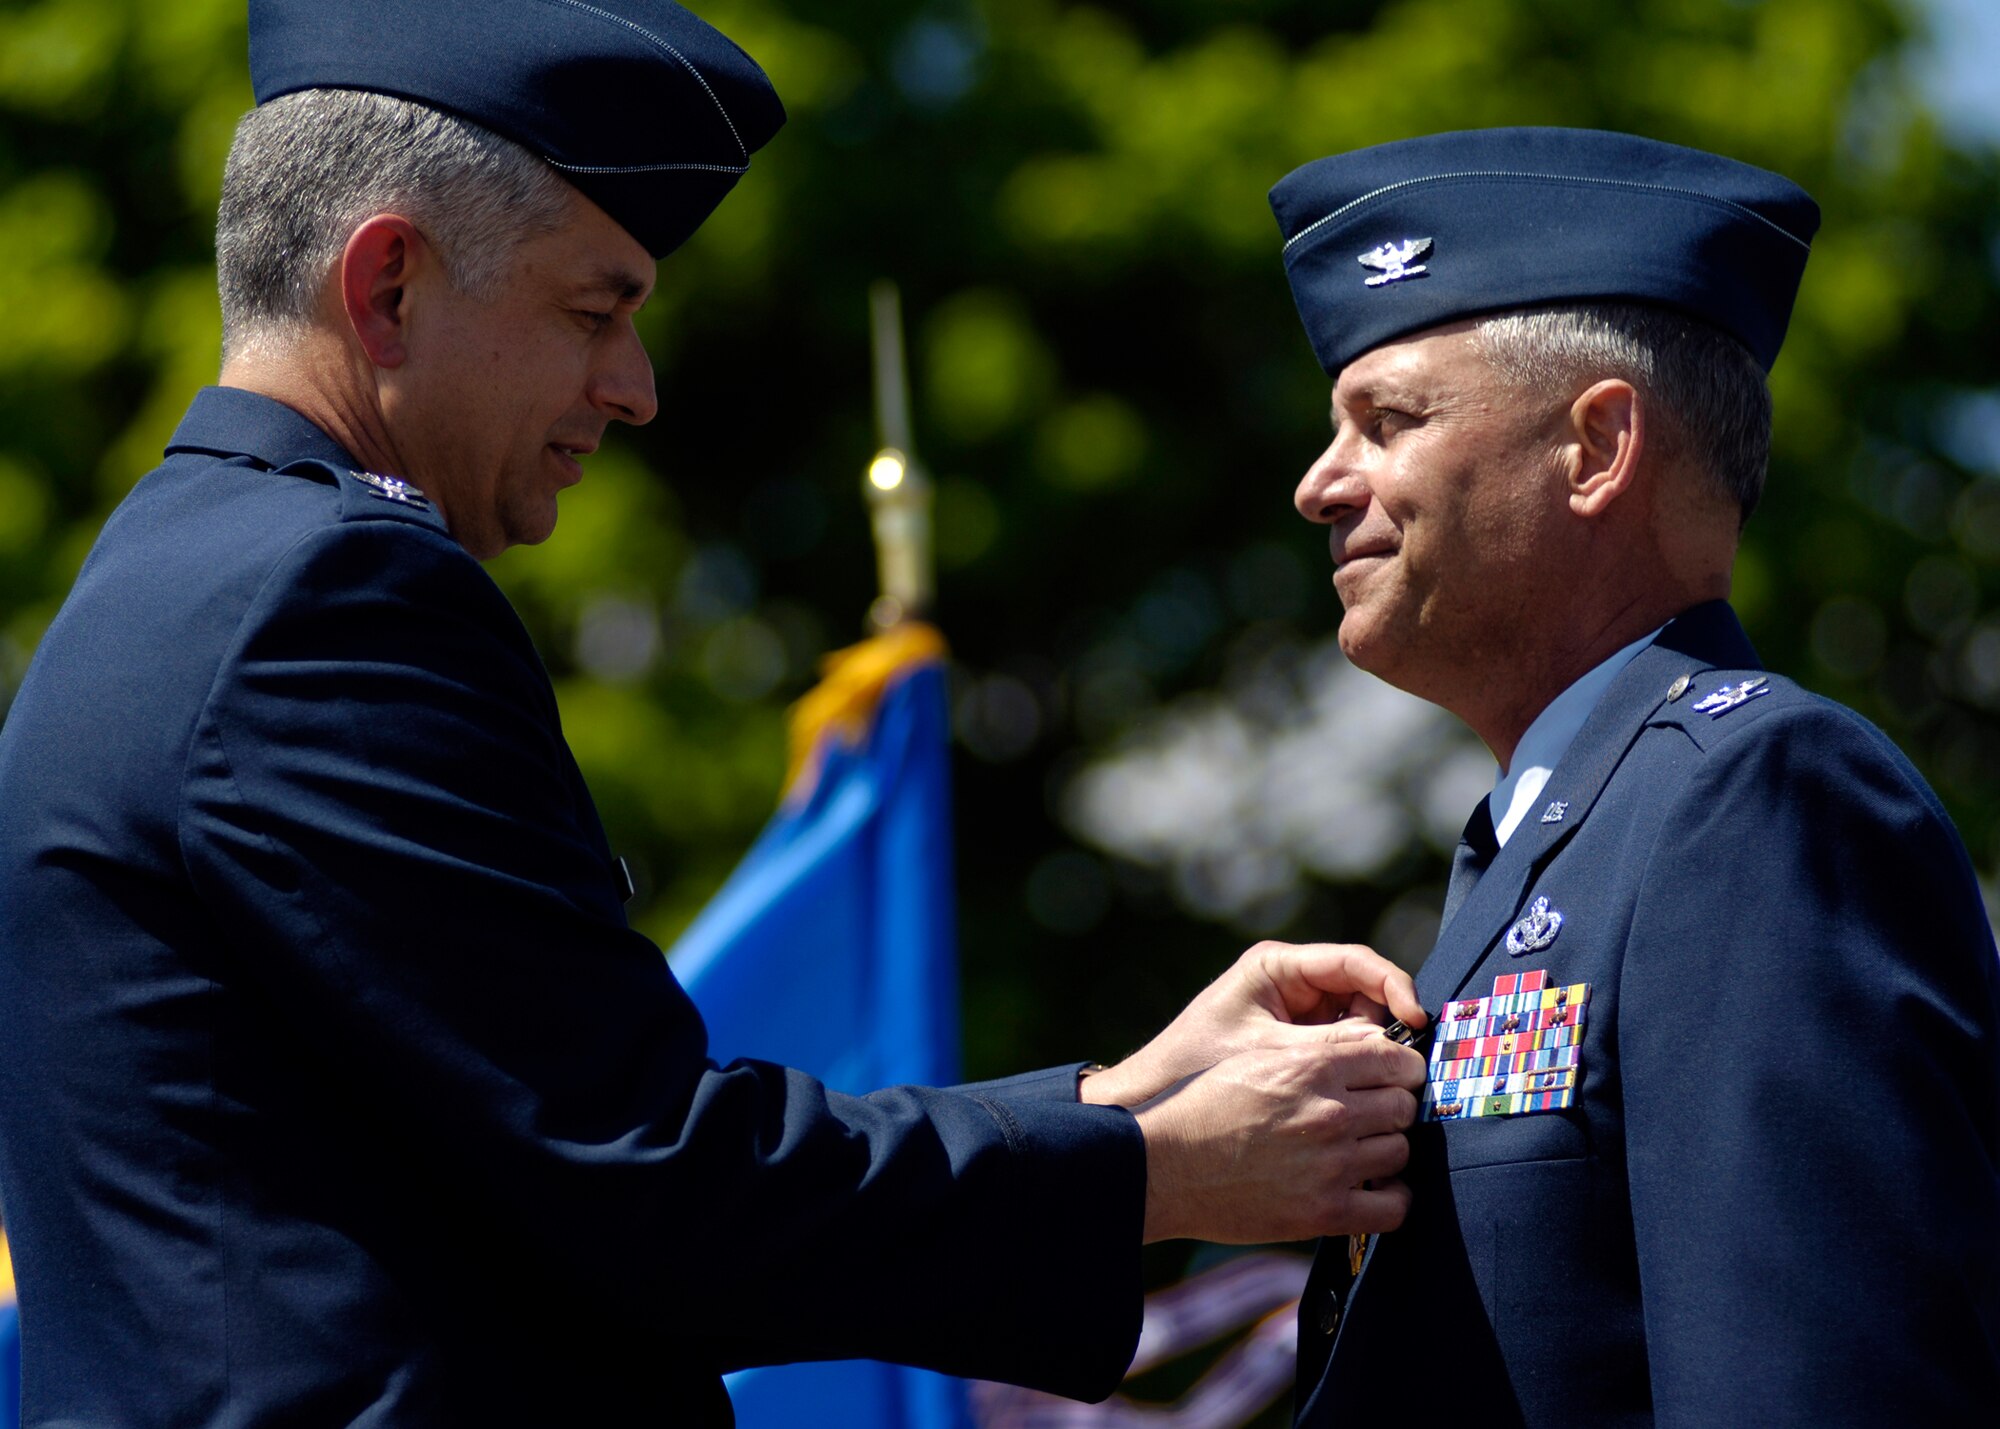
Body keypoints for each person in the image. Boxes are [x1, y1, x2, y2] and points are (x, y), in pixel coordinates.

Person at [0, 3, 1429, 1425]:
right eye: (595, 309)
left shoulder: (176, 575)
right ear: (388, 285)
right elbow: (651, 1175)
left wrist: (1120, 1097)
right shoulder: (328, 598)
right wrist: (1163, 1166)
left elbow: (531, 1153)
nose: (634, 388)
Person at [1268, 126, 2000, 1426]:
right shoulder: (1567, 835)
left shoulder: (1756, 800)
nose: (1320, 483)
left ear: (1597, 450)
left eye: (1388, 421)